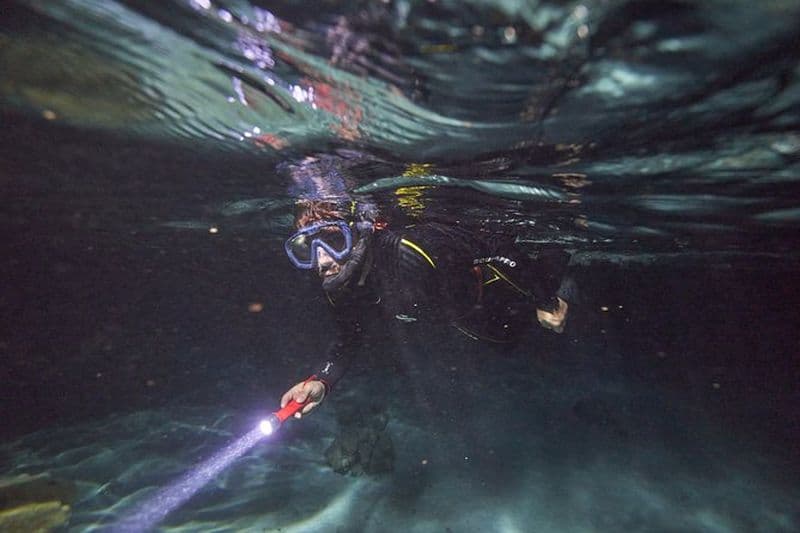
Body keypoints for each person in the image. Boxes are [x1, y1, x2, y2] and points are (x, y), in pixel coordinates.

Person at [280, 199, 575, 417]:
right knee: (506, 343)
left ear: (359, 233)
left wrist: (545, 299)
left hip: (497, 288)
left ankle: (568, 273)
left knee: (549, 302)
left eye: (334, 240)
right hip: (466, 317)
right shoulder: (342, 291)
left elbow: (495, 247)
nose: (323, 261)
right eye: (307, 249)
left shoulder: (410, 250)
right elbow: (349, 338)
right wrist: (322, 381)